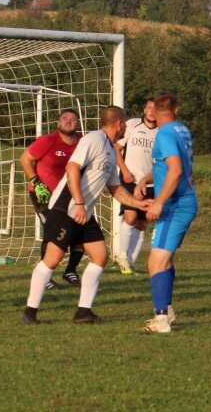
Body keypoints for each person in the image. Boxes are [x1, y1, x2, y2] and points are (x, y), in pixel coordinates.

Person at [21, 106, 152, 325]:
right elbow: (72, 168)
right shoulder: (94, 139)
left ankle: (83, 313)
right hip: (65, 208)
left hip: (84, 213)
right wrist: (79, 203)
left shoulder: (110, 150)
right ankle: (29, 313)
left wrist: (140, 203)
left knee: (100, 256)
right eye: (125, 125)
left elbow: (116, 190)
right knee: (52, 260)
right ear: (119, 124)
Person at [133, 94, 198, 334]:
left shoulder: (166, 133)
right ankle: (167, 311)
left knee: (155, 261)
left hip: (175, 204)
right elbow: (167, 164)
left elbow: (176, 170)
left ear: (153, 112)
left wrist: (159, 202)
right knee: (165, 258)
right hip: (184, 201)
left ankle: (160, 320)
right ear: (176, 110)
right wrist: (146, 178)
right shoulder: (182, 130)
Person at [19, 108, 85, 290]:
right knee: (52, 232)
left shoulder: (82, 143)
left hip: (70, 196)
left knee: (80, 230)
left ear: (78, 124)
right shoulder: (47, 141)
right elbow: (25, 159)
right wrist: (36, 182)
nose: (69, 121)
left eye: (73, 119)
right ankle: (45, 276)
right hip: (44, 194)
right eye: (65, 118)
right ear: (58, 123)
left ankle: (71, 270)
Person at [113, 97, 157, 274]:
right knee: (130, 217)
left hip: (150, 183)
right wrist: (124, 171)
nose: (152, 111)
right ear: (144, 110)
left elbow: (162, 162)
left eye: (156, 109)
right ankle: (122, 257)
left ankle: (130, 261)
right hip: (130, 179)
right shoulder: (132, 124)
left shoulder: (162, 133)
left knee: (141, 223)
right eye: (149, 108)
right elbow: (116, 148)